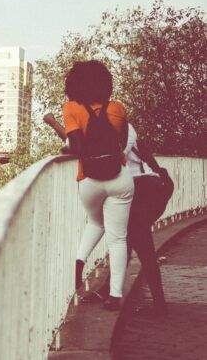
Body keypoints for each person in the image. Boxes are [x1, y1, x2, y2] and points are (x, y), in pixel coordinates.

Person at [44, 115, 173, 314]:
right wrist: (53, 123)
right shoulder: (98, 130)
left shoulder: (125, 128)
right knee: (127, 239)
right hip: (136, 189)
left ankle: (158, 304)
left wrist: (78, 148)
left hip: (146, 187)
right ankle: (111, 291)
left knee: (141, 243)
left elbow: (117, 152)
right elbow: (73, 143)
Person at [61, 60, 134, 310]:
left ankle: (79, 261)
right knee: (117, 239)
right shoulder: (117, 107)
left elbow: (78, 147)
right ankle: (114, 296)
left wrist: (67, 147)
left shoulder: (71, 108)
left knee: (95, 222)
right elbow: (122, 144)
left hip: (90, 179)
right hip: (119, 178)